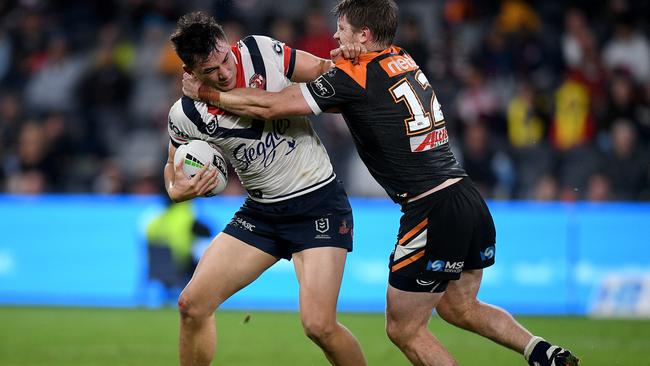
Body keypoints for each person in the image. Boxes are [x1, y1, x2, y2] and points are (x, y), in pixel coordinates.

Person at [182, 1, 580, 365]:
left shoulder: (353, 76)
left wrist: (207, 93)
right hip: (466, 196)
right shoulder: (401, 58)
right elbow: (344, 83)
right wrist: (338, 63)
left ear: (364, 35)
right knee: (460, 307)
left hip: (431, 209)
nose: (336, 37)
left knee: (403, 328)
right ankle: (540, 350)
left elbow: (271, 104)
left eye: (342, 29)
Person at [166, 11, 366, 366]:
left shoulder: (261, 52)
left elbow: (322, 71)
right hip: (262, 214)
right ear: (189, 74)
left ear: (227, 43)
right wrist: (178, 189)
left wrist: (342, 62)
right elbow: (173, 169)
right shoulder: (184, 115)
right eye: (210, 72)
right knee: (191, 306)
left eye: (224, 59)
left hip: (317, 202)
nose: (224, 73)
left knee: (319, 325)